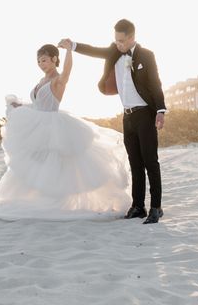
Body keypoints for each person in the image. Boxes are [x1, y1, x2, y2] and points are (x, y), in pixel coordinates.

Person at [0, 42, 129, 221]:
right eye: (39, 61)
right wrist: (20, 106)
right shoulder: (41, 80)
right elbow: (37, 104)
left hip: (52, 126)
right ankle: (37, 196)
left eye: (44, 60)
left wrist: (70, 51)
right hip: (37, 123)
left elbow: (67, 71)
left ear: (54, 59)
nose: (41, 64)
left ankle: (54, 199)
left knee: (55, 162)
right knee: (35, 164)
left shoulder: (58, 80)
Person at [58, 18, 167, 224]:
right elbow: (93, 50)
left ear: (132, 38)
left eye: (122, 41)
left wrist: (160, 110)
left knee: (150, 161)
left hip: (146, 114)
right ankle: (138, 206)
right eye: (116, 40)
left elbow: (155, 83)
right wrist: (72, 45)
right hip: (127, 116)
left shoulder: (146, 56)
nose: (118, 44)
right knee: (135, 163)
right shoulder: (114, 52)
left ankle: (156, 207)